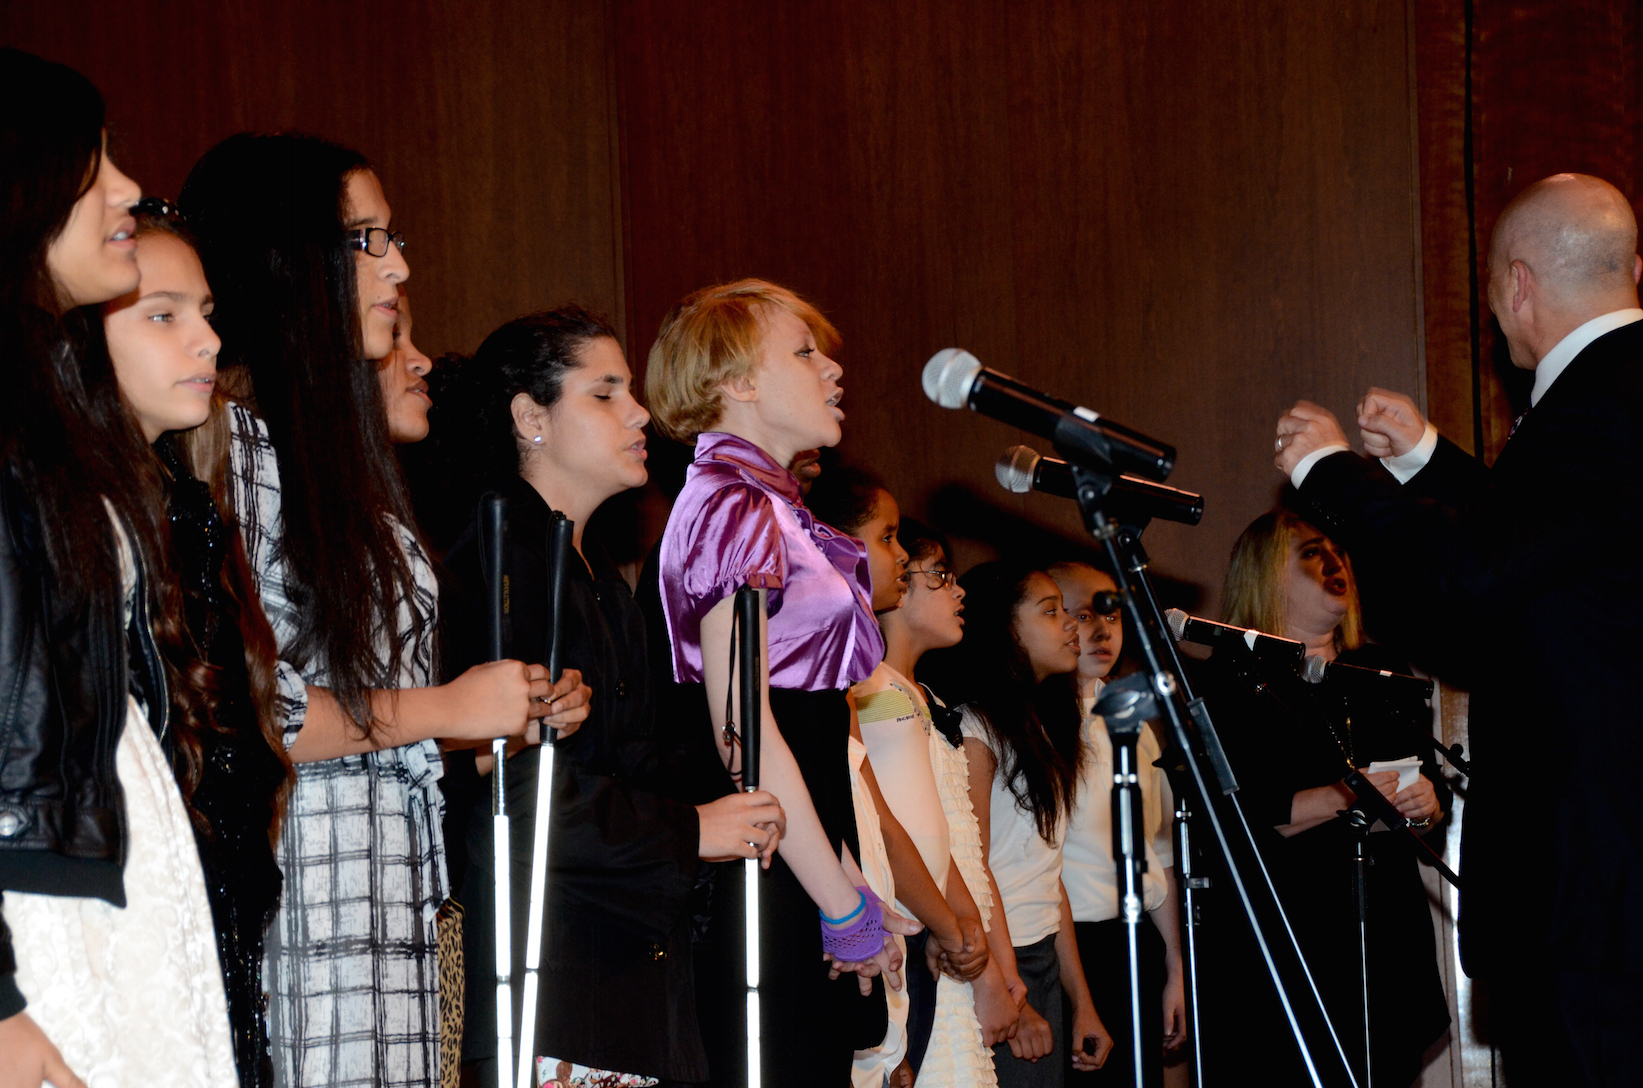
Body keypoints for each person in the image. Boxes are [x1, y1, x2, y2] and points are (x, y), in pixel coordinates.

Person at [179, 132, 588, 1088]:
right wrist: (448, 711)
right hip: (306, 914)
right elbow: (258, 706)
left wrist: (496, 712)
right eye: (366, 239)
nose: (399, 265)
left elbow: (362, 709)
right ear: (287, 262)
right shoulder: (230, 445)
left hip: (391, 909)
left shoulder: (331, 466)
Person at [1273, 172, 1643, 1086]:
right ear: (1630, 266)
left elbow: (1477, 575)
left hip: (1593, 891)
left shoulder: (1598, 400)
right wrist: (1429, 463)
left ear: (1515, 286)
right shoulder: (1619, 391)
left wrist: (1329, 470)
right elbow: (1560, 552)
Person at [435, 307, 789, 1086]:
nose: (639, 414)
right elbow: (511, 792)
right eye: (605, 393)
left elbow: (629, 762)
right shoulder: (500, 563)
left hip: (616, 975)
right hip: (550, 978)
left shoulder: (595, 578)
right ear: (531, 417)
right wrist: (689, 827)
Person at [0, 48, 238, 1088]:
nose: (130, 188)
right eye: (94, 162)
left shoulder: (37, 403)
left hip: (99, 872)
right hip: (34, 904)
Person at [645, 278, 914, 1087]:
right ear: (736, 383)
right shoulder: (733, 505)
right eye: (802, 352)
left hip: (788, 860)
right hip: (760, 881)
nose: (832, 370)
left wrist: (847, 881)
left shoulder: (762, 502)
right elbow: (745, 736)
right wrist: (840, 904)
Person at [99, 198, 293, 1088]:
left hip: (214, 940)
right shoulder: (70, 524)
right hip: (122, 944)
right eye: (165, 315)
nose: (207, 341)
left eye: (207, 313)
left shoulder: (189, 509)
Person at [1194, 511, 1449, 1086]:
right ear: (1266, 575)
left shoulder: (1382, 671)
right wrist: (1343, 795)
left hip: (1384, 934)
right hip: (1289, 936)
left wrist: (1427, 803)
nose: (1336, 562)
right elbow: (1225, 817)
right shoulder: (1229, 682)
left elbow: (1434, 806)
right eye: (1313, 551)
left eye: (1341, 550)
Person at [808, 471, 991, 1087]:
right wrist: (941, 922)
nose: (903, 557)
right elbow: (881, 820)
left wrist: (961, 922)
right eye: (890, 540)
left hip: (913, 915)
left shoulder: (899, 688)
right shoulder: (867, 684)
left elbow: (938, 825)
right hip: (885, 916)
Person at [926, 561, 1113, 1086]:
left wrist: (1083, 1002)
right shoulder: (975, 729)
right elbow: (971, 864)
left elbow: (1048, 879)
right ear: (1005, 631)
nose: (1072, 624)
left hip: (1039, 964)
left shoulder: (1042, 729)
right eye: (1051, 612)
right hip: (996, 965)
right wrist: (1007, 985)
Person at [876, 517, 1024, 1087]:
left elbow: (965, 848)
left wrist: (1000, 964)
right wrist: (978, 961)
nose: (959, 590)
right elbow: (904, 834)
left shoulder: (928, 697)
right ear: (896, 585)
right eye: (941, 575)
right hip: (926, 937)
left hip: (962, 937)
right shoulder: (876, 692)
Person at [1046, 562, 1184, 1086]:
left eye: (1113, 615)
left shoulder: (1133, 723)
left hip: (1138, 942)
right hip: (1073, 947)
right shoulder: (1038, 727)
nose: (1103, 631)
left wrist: (1175, 968)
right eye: (1083, 615)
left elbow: (1160, 854)